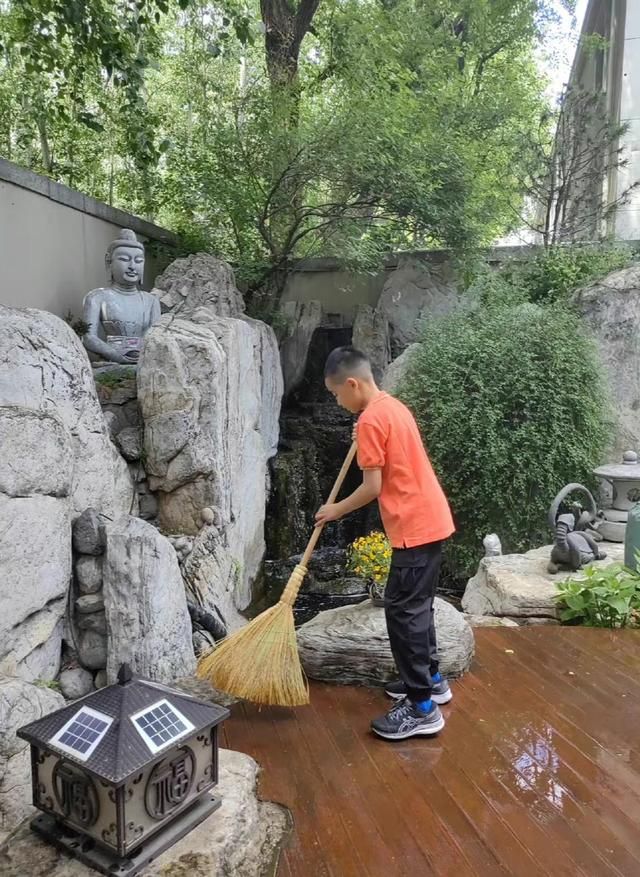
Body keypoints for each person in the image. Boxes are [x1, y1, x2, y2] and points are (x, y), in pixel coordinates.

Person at [315, 346, 455, 740]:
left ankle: (421, 707)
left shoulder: (371, 420)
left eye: (335, 394)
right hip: (431, 519)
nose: (337, 401)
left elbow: (372, 487)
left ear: (353, 384)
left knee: (402, 613)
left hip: (414, 526)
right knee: (417, 607)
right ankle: (432, 679)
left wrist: (335, 510)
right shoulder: (393, 407)